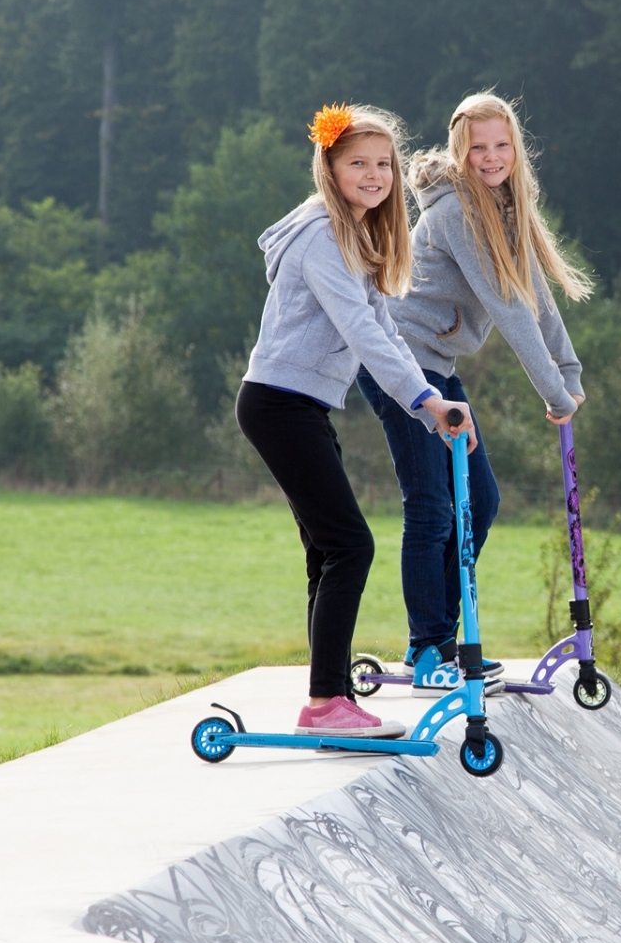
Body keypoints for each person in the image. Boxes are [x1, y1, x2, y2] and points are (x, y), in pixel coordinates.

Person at [236, 103, 474, 737]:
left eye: (383, 165)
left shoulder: (356, 235)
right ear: (329, 169)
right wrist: (426, 403)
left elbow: (388, 332)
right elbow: (362, 334)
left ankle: (331, 696)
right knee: (351, 546)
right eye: (356, 165)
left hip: (298, 404)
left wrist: (430, 401)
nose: (373, 176)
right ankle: (323, 704)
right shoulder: (321, 235)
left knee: (327, 552)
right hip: (279, 404)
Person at [356, 93, 593, 688]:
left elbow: (535, 298)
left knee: (480, 502)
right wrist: (552, 395)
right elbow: (510, 311)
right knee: (432, 504)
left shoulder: (503, 213)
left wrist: (569, 376)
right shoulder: (460, 213)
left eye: (501, 145)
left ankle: (438, 636)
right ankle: (429, 646)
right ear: (461, 153)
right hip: (401, 364)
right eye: (478, 147)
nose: (491, 157)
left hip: (435, 365)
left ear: (516, 150)